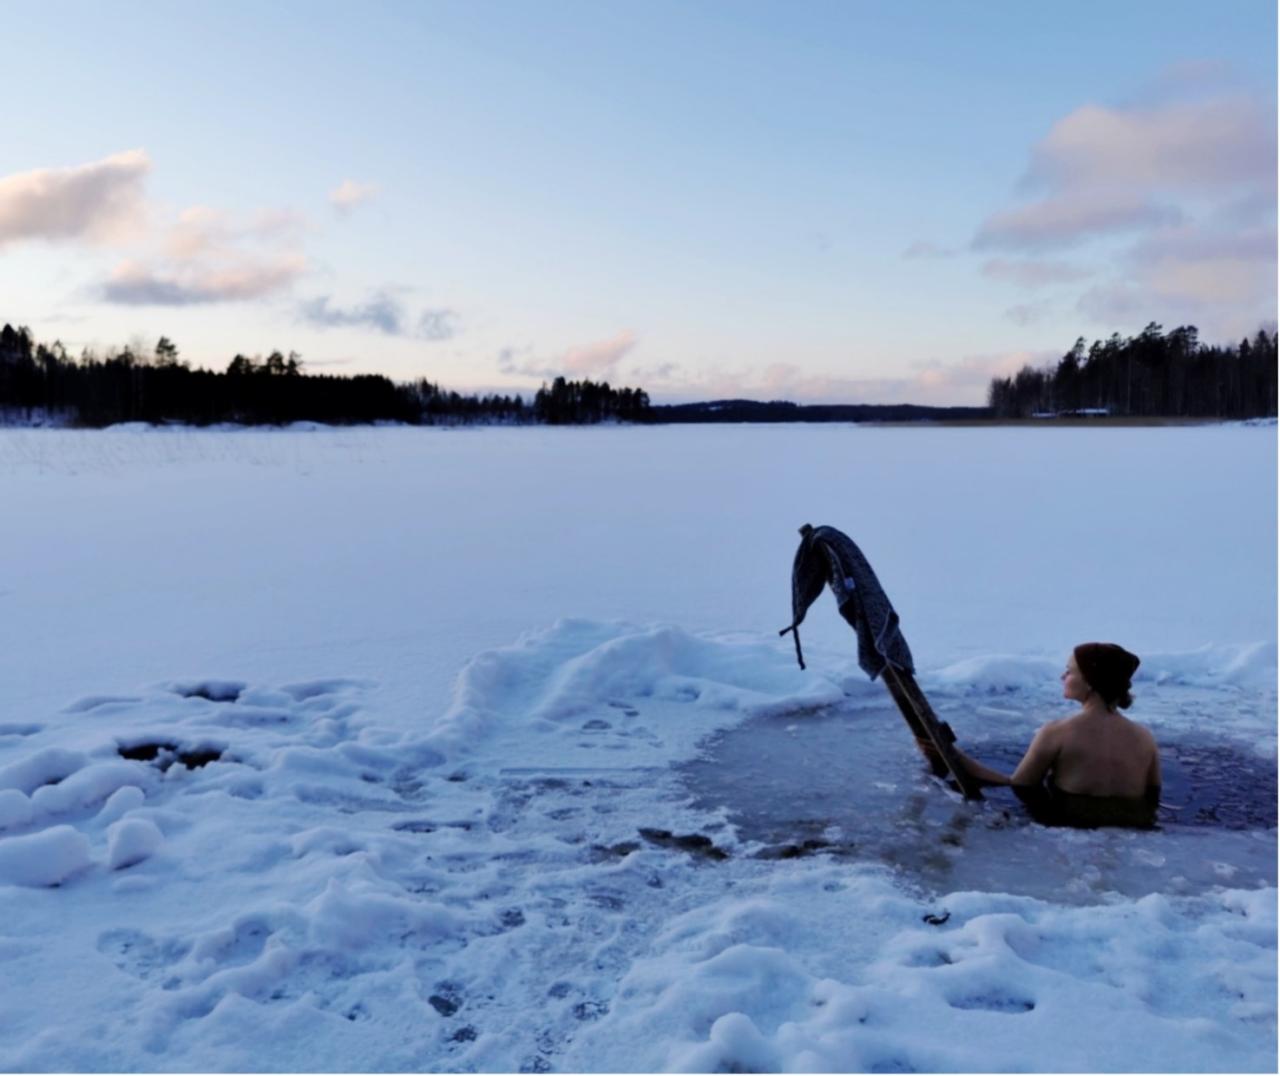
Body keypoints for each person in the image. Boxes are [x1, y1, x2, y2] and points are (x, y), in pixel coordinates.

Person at [956, 642, 1161, 826]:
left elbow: (1019, 786)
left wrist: (956, 757)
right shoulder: (1145, 737)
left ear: (1090, 681)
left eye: (1069, 671)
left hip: (1070, 825)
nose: (1063, 677)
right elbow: (1153, 796)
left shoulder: (1058, 732)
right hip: (1132, 825)